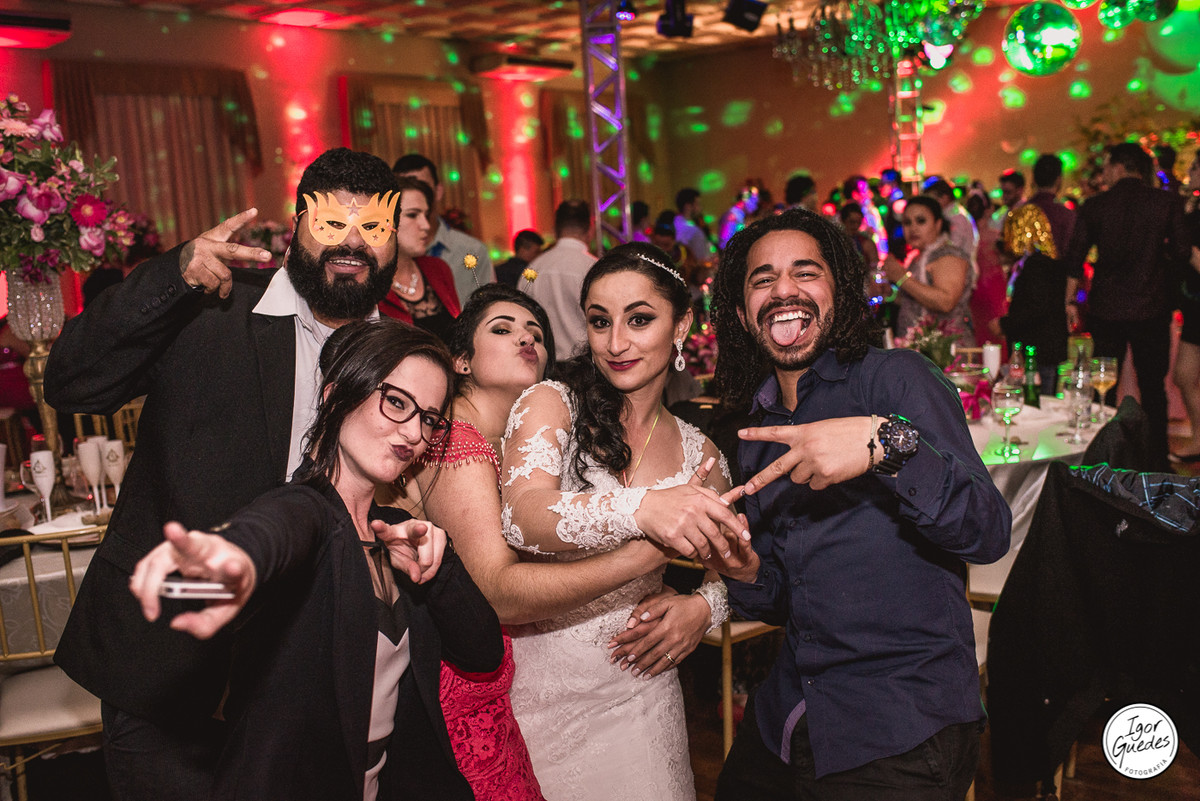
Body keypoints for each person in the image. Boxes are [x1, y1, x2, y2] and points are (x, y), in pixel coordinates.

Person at [43, 147, 402, 801]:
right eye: (332, 224)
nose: (352, 245)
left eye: (373, 228)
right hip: (174, 670)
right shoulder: (210, 311)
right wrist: (171, 277)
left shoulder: (403, 356)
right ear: (296, 224)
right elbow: (70, 382)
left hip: (325, 679)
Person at [128, 319, 502, 800]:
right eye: (396, 402)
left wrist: (441, 565)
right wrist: (236, 555)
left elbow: (482, 652)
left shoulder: (399, 533)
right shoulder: (307, 512)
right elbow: (282, 524)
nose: (413, 431)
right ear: (335, 395)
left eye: (429, 418)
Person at [706, 207, 1010, 799]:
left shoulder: (896, 381)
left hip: (901, 724)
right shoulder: (759, 426)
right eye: (762, 280)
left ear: (841, 294)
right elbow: (785, 601)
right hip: (789, 716)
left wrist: (885, 446)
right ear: (743, 314)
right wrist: (740, 569)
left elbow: (989, 531)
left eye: (805, 272)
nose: (784, 290)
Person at [413, 284, 696, 799]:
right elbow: (495, 591)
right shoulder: (457, 441)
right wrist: (639, 558)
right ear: (461, 360)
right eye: (502, 329)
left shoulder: (520, 443)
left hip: (519, 677)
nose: (527, 340)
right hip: (467, 683)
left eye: (537, 334)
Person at [501, 242, 745, 800]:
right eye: (599, 322)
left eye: (639, 320)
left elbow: (741, 563)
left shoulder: (698, 452)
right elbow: (523, 516)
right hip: (539, 695)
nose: (616, 343)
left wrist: (705, 607)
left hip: (640, 693)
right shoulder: (551, 402)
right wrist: (643, 509)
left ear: (681, 324)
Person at [1065, 142, 1190, 470]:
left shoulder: (1095, 205)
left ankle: (1094, 460)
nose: (1103, 172)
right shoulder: (1165, 202)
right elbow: (1180, 251)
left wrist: (1069, 301)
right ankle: (1157, 463)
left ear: (1121, 166)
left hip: (1107, 308)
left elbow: (1075, 258)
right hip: (1152, 305)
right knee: (1153, 388)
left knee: (1102, 388)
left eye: (1106, 166)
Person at [393, 153, 495, 299]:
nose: (418, 194)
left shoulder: (471, 251)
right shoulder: (380, 266)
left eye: (423, 187)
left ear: (438, 191)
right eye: (408, 187)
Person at [883, 194, 977, 344]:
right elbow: (915, 300)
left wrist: (901, 278)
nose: (913, 228)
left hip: (946, 352)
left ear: (938, 224)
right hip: (920, 349)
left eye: (921, 221)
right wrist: (890, 292)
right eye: (907, 222)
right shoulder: (916, 258)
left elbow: (945, 301)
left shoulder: (948, 255)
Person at [378, 175, 461, 343]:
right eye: (413, 215)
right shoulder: (369, 282)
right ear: (384, 220)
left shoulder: (437, 268)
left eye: (426, 214)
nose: (426, 225)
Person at [525, 199, 597, 355]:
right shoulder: (594, 268)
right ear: (591, 231)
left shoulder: (533, 268)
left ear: (554, 230)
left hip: (544, 365)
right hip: (585, 364)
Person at [1169, 156, 1200, 462]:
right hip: (1193, 307)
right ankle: (1198, 438)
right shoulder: (1191, 207)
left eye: (1194, 168)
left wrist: (1186, 247)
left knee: (1185, 374)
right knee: (1183, 375)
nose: (1189, 173)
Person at [675, 187, 716, 265]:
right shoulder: (693, 231)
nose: (700, 208)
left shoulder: (675, 223)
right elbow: (703, 259)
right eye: (697, 204)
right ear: (688, 206)